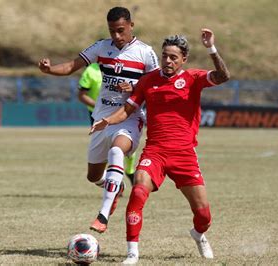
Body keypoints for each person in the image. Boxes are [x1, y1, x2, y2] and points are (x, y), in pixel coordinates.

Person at [90, 29, 230, 263]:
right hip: (155, 151)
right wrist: (107, 121)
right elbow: (128, 109)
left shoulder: (193, 79)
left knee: (204, 215)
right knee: (138, 190)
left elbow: (223, 76)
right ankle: (132, 253)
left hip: (184, 154)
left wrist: (211, 49)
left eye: (173, 57)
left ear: (183, 59)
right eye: (165, 55)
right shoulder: (148, 80)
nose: (167, 60)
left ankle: (198, 234)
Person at [38, 6, 159, 234]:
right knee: (93, 176)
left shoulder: (146, 53)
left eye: (121, 30)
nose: (116, 36)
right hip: (101, 118)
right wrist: (49, 69)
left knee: (117, 151)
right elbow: (72, 66)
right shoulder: (102, 47)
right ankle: (114, 186)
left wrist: (134, 87)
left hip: (129, 117)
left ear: (131, 26)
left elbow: (158, 84)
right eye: (112, 31)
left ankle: (103, 215)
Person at [77, 62, 137, 183]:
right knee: (102, 156)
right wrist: (98, 106)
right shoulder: (91, 71)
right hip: (98, 116)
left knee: (121, 144)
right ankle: (112, 183)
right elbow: (81, 95)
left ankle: (129, 172)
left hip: (122, 112)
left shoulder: (124, 65)